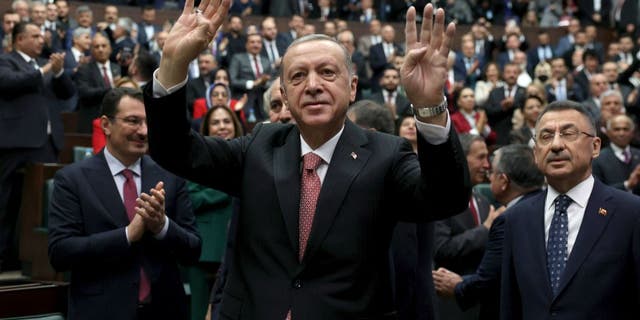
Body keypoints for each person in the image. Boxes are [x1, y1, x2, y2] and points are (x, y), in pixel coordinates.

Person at [144, 1, 470, 319]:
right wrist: (173, 64)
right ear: (284, 96)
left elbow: (445, 198)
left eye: (327, 72)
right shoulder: (258, 146)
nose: (313, 85)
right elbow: (175, 150)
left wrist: (429, 106)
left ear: (353, 86)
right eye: (298, 76)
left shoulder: (387, 155)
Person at [47, 87, 201, 319]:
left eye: (147, 122)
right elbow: (61, 253)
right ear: (106, 125)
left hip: (164, 312)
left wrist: (162, 227)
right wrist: (128, 234)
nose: (144, 131)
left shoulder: (169, 175)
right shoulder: (72, 179)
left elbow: (193, 250)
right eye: (133, 121)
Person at [501, 100, 640, 319]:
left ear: (595, 146)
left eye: (568, 133)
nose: (556, 145)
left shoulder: (631, 213)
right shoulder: (515, 219)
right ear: (536, 153)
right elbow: (511, 306)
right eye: (546, 137)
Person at [433, 143, 544, 320]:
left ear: (504, 181)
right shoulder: (546, 207)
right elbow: (441, 249)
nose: (487, 171)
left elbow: (490, 279)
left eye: (492, 171)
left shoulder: (507, 217)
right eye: (480, 157)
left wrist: (459, 285)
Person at [0, 21, 75, 272]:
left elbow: (67, 93)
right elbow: (9, 82)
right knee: (6, 202)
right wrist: (45, 70)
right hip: (15, 143)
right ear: (19, 40)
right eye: (34, 36)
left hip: (46, 143)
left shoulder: (47, 67)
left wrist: (58, 72)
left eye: (41, 36)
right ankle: (2, 256)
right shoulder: (7, 60)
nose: (41, 40)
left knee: (40, 203)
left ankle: (31, 257)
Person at [188, 104, 242, 320]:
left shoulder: (248, 153)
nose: (222, 126)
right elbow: (191, 198)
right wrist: (226, 191)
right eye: (216, 122)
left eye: (227, 121)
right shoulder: (196, 157)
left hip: (241, 249)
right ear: (207, 128)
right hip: (205, 249)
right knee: (200, 312)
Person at [592, 114, 640, 195]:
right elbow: (596, 192)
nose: (621, 133)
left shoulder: (638, 154)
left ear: (632, 132)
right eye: (617, 129)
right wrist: (627, 185)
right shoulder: (598, 158)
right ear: (608, 132)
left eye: (626, 129)